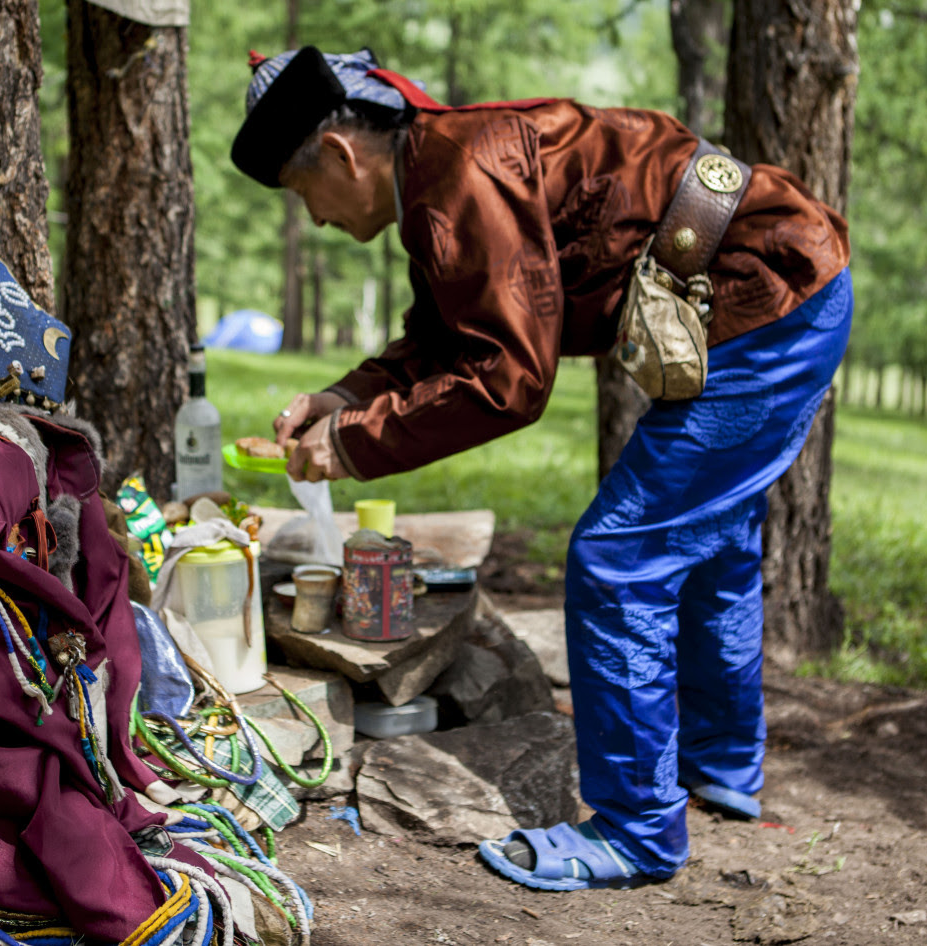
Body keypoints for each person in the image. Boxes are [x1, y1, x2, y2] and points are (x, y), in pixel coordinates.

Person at [233, 46, 850, 890]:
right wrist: (345, 397)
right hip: (781, 285)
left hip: (763, 297)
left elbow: (507, 380)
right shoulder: (441, 171)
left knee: (620, 555)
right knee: (714, 542)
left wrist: (352, 445)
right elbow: (451, 333)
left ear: (340, 154)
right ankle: (721, 771)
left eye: (303, 194)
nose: (316, 219)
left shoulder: (460, 169)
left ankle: (637, 831)